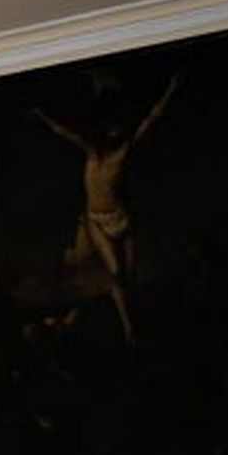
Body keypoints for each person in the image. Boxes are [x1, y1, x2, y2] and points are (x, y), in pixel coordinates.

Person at [31, 73, 182, 344]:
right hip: (97, 221)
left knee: (128, 277)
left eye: (116, 133)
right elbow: (67, 133)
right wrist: (44, 117)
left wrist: (171, 89)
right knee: (115, 274)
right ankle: (129, 329)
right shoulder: (92, 155)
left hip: (120, 218)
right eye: (109, 133)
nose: (113, 136)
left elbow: (150, 121)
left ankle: (135, 325)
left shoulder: (122, 154)